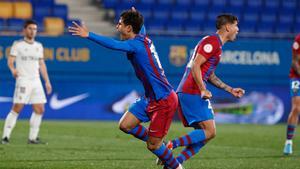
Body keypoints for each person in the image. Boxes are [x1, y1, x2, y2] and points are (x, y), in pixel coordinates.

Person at [68, 8, 183, 169]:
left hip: (164, 100)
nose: (117, 26)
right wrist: (135, 14)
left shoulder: (135, 45)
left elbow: (114, 44)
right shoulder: (141, 36)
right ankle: (161, 145)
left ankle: (176, 166)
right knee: (125, 125)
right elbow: (140, 26)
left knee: (152, 146)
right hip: (151, 98)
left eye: (120, 24)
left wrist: (89, 35)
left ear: (129, 28)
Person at [157, 14, 245, 167]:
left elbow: (208, 74)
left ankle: (174, 163)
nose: (238, 29)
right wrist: (203, 89)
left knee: (206, 135)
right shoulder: (212, 42)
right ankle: (169, 146)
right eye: (236, 26)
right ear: (228, 27)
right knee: (210, 132)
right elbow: (196, 65)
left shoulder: (216, 45)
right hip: (192, 91)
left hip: (192, 91)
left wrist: (229, 89)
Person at [1, 20, 52, 144]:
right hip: (23, 80)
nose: (32, 31)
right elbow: (10, 61)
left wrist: (47, 81)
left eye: (34, 29)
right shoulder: (17, 45)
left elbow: (41, 64)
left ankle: (32, 138)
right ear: (24, 30)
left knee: (40, 109)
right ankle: (5, 137)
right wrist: (13, 69)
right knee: (17, 107)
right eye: (30, 28)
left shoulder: (38, 46)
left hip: (36, 80)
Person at [283, 33, 300, 155]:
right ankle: (289, 142)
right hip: (297, 77)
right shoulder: (299, 39)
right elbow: (294, 62)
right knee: (296, 108)